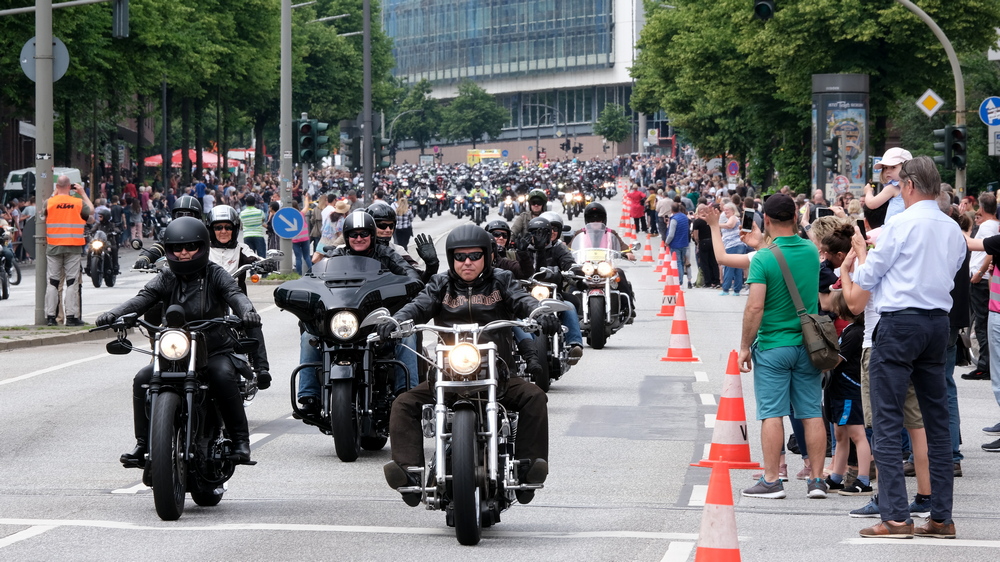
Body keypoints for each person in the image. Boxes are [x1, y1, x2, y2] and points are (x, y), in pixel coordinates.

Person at [380, 224, 559, 506]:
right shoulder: (440, 284)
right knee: (403, 403)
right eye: (460, 256)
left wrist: (539, 310)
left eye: (474, 255)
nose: (467, 262)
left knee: (534, 396)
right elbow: (419, 305)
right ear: (451, 258)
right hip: (447, 372)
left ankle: (527, 469)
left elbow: (521, 299)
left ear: (487, 256)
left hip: (497, 373)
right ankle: (410, 475)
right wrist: (394, 320)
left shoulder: (502, 280)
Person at [851, 156, 965, 539]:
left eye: (899, 185)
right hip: (937, 323)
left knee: (886, 417)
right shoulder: (952, 229)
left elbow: (868, 276)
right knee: (936, 420)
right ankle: (941, 517)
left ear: (911, 186)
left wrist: (863, 254)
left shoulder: (898, 225)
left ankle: (897, 516)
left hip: (900, 322)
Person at [97, 217, 262, 466]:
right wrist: (115, 314)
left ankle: (240, 441)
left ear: (203, 246)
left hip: (214, 348)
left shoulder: (215, 273)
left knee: (221, 375)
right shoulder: (167, 277)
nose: (183, 253)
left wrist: (246, 311)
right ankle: (143, 443)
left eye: (190, 247)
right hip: (176, 348)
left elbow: (234, 294)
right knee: (143, 378)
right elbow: (143, 298)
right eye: (177, 248)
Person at [738, 193, 827, 500]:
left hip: (774, 345)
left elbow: (754, 308)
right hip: (809, 345)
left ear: (767, 220)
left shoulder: (763, 259)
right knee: (811, 412)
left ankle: (772, 479)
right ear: (796, 218)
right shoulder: (811, 252)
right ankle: (817, 480)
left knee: (772, 413)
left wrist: (745, 346)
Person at [297, 211, 423, 410]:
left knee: (406, 335)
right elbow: (313, 279)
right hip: (345, 320)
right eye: (354, 234)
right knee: (308, 336)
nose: (359, 238)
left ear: (372, 235)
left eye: (364, 234)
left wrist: (408, 283)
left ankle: (406, 394)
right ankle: (309, 394)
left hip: (378, 319)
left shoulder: (387, 254)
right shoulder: (336, 256)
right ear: (347, 237)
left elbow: (411, 276)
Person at [206, 205, 273, 390]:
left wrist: (263, 264)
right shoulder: (203, 250)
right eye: (218, 227)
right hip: (207, 299)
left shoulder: (241, 248)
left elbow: (253, 257)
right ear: (211, 229)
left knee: (252, 319)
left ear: (235, 229)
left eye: (228, 227)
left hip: (236, 299)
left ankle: (261, 370)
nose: (223, 231)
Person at [44, 175, 94, 326]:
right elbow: (91, 212)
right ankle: (71, 317)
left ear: (57, 186)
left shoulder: (49, 202)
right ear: (70, 187)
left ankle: (51, 317)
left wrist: (54, 195)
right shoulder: (77, 202)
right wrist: (83, 193)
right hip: (73, 246)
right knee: (72, 282)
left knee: (53, 282)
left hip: (53, 247)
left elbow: (41, 215)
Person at [964, 192, 998, 380]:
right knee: (984, 322)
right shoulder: (993, 226)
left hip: (982, 280)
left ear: (982, 209)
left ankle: (984, 365)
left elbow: (990, 251)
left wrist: (978, 273)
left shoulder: (986, 228)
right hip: (986, 279)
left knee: (982, 324)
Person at [131, 195, 203, 269]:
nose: (184, 218)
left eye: (189, 215)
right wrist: (145, 258)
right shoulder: (172, 233)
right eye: (180, 215)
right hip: (173, 273)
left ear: (197, 216)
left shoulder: (203, 233)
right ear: (174, 216)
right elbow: (158, 247)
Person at [863, 147, 912, 223]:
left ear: (906, 167)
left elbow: (871, 204)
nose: (888, 171)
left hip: (893, 227)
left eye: (893, 167)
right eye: (885, 168)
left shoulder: (892, 188)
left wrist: (868, 192)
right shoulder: (913, 186)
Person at [663, 202, 691, 289]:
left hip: (676, 244)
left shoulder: (674, 219)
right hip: (685, 242)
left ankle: (679, 280)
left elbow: (671, 234)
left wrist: (667, 242)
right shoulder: (685, 217)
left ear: (671, 210)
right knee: (683, 262)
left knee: (677, 262)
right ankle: (685, 279)